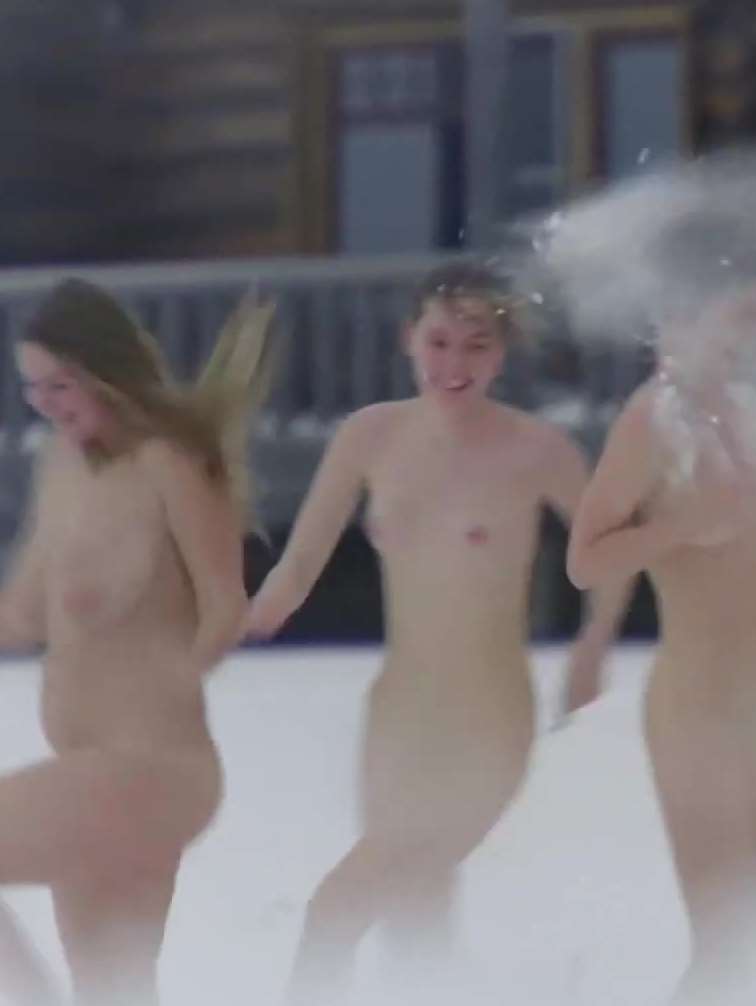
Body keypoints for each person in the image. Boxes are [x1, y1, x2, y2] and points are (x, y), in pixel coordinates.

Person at [244, 261, 629, 1000]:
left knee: (337, 908)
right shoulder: (369, 436)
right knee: (415, 921)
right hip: (398, 715)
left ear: (502, 353)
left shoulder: (538, 450)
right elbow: (298, 565)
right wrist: (245, 615)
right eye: (440, 342)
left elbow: (609, 554)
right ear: (409, 339)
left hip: (488, 717)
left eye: (477, 346)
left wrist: (593, 645)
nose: (455, 364)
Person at [0, 280, 274, 1006]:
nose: (47, 404)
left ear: (105, 372)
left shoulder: (168, 465)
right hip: (90, 772)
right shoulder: (60, 465)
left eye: (61, 385)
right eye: (33, 388)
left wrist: (180, 677)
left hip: (153, 770)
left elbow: (225, 605)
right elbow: (21, 616)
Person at [565, 213, 756, 996]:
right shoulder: (650, 419)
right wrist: (680, 526)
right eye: (739, 318)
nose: (752, 338)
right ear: (683, 311)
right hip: (701, 697)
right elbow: (584, 557)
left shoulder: (748, 409)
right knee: (726, 945)